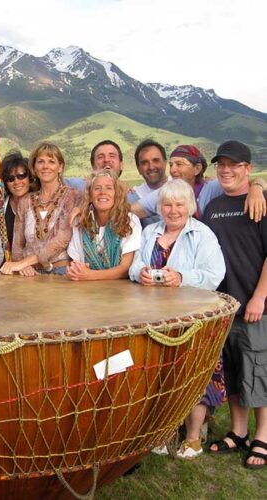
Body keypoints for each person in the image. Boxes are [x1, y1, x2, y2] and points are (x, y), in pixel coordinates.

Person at [129, 179, 226, 459]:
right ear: (160, 207)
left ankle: (193, 438)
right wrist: (141, 273)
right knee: (161, 377)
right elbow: (134, 263)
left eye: (179, 204)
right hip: (155, 318)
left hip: (193, 317)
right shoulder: (149, 232)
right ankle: (163, 433)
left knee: (195, 376)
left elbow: (214, 274)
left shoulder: (202, 234)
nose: (173, 210)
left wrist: (182, 278)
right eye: (168, 204)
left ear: (190, 206)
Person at [203, 141, 267, 469]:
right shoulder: (213, 209)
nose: (226, 170)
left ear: (247, 167)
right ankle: (238, 432)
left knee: (258, 371)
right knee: (233, 371)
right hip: (224, 307)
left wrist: (260, 296)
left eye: (234, 164)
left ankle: (263, 438)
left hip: (255, 306)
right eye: (221, 165)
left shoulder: (262, 201)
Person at [131, 144, 266, 223]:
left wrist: (256, 189)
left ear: (197, 169)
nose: (172, 170)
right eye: (171, 165)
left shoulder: (212, 187)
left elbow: (245, 182)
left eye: (179, 164)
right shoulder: (166, 193)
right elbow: (130, 212)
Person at [0, 142, 78, 276]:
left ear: (60, 167)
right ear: (34, 168)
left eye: (51, 161)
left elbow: (62, 239)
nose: (45, 166)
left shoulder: (72, 196)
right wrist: (21, 266)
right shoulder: (25, 201)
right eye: (40, 161)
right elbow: (17, 246)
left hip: (61, 273)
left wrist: (23, 263)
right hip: (29, 274)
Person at [67, 170, 141, 280]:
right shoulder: (81, 222)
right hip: (86, 290)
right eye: (97, 188)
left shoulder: (129, 221)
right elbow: (75, 261)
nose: (103, 192)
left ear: (117, 194)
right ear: (90, 196)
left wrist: (90, 275)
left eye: (109, 188)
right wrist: (76, 270)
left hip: (120, 291)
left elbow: (126, 268)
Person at [1, 150, 34, 249]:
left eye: (21, 176)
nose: (16, 182)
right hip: (8, 262)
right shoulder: (0, 208)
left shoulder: (41, 204)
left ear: (29, 178)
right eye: (10, 178)